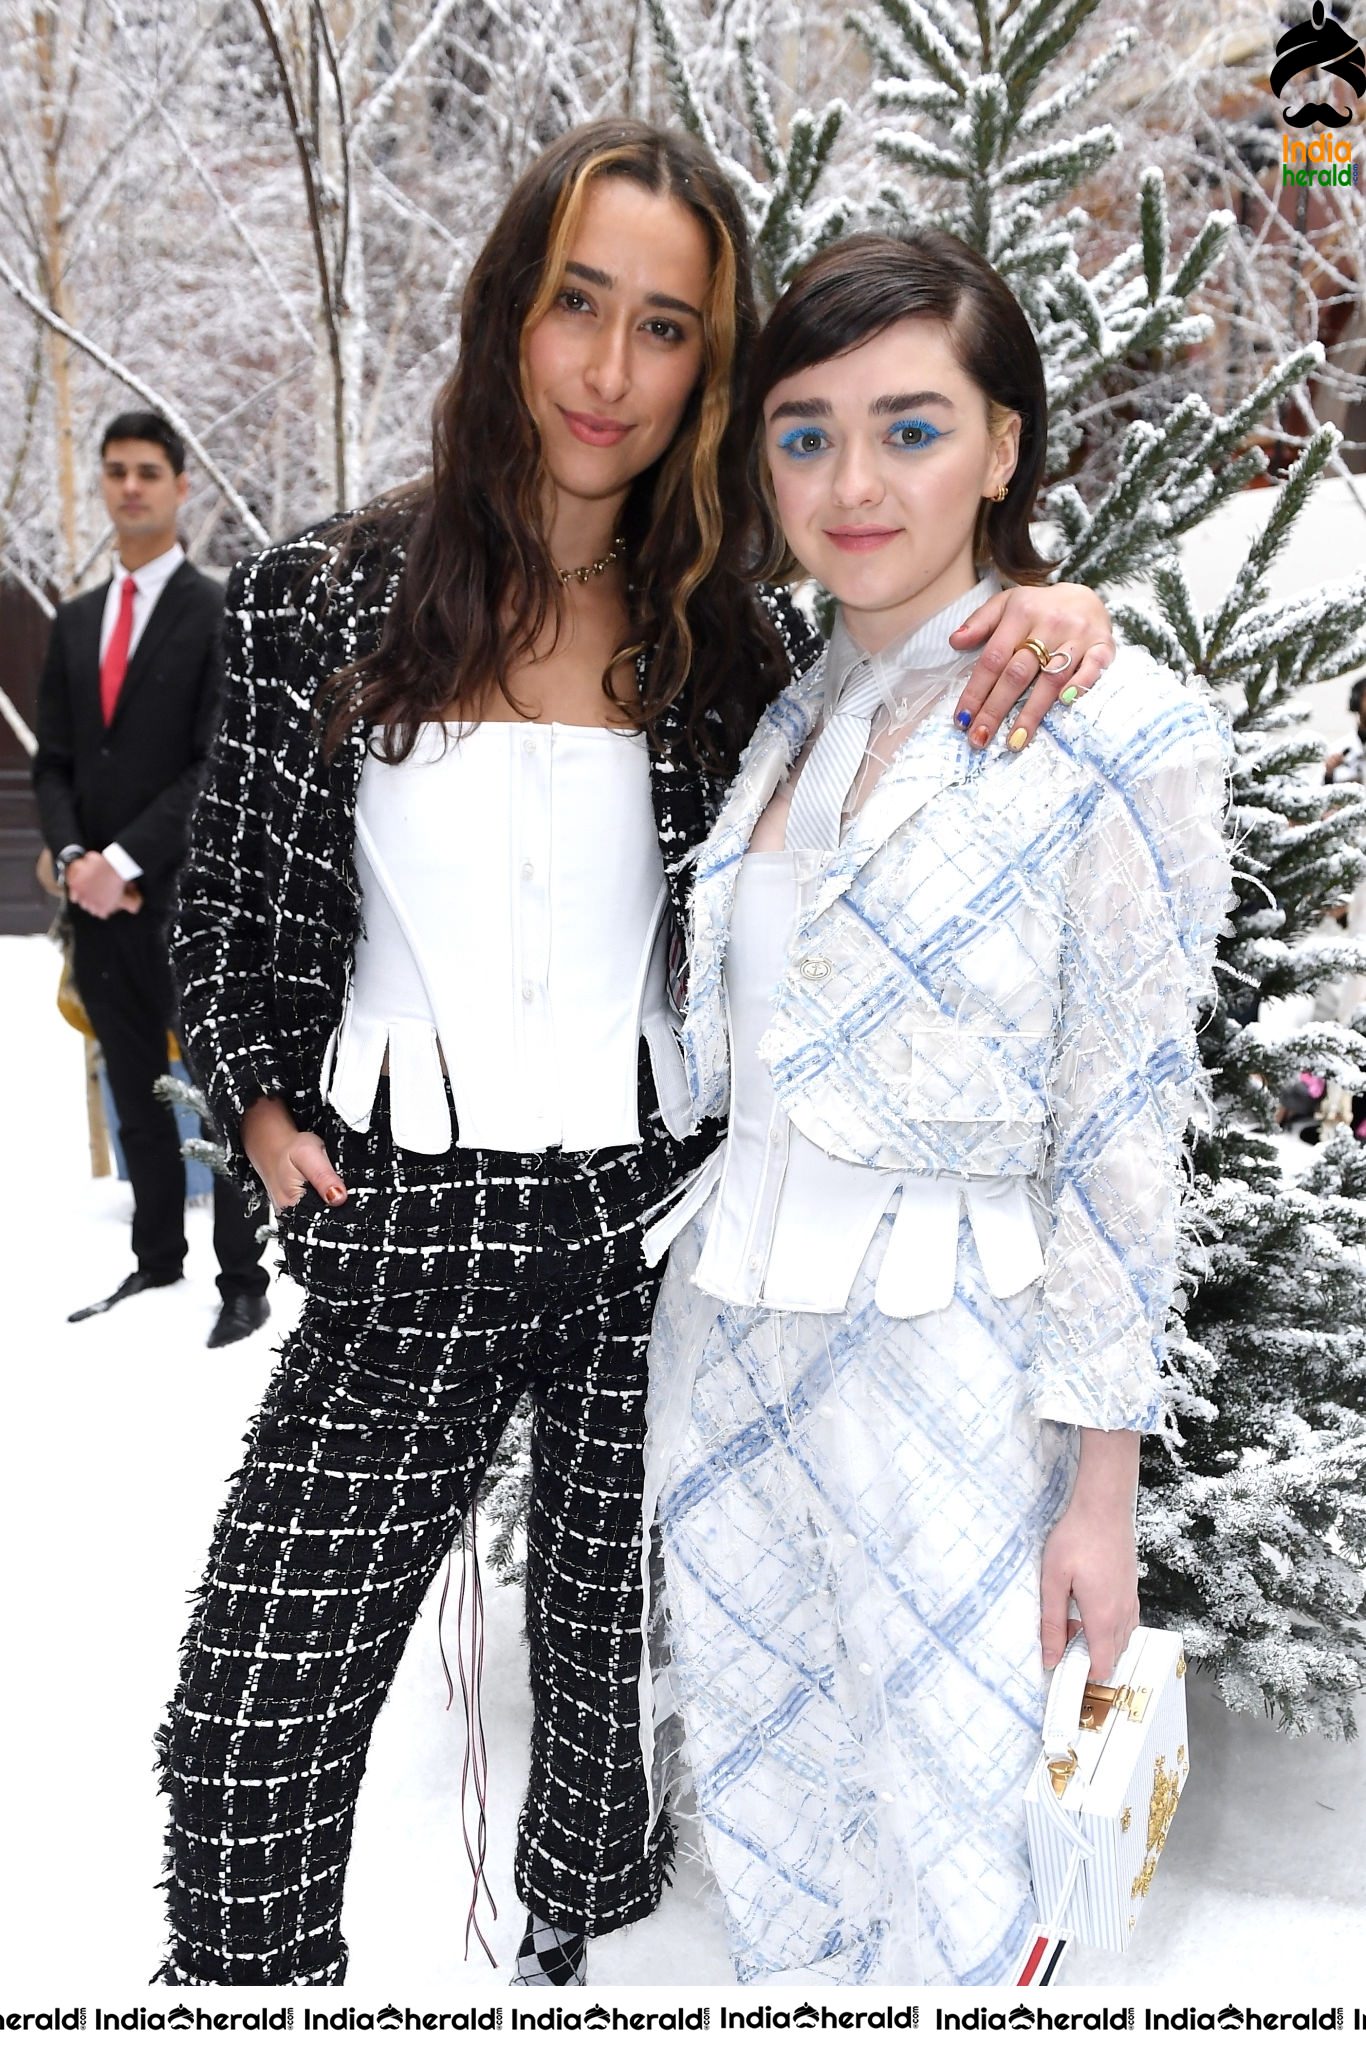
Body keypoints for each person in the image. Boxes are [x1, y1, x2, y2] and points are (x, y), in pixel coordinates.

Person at [157, 124, 1120, 1988]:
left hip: (648, 1238)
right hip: (402, 1220)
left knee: (609, 1714)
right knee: (251, 1716)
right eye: (575, 304)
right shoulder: (319, 601)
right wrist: (269, 1105)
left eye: (666, 326)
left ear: (710, 364)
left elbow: (919, 668)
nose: (609, 370)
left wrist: (1058, 595)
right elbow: (236, 910)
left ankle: (571, 1973)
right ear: (507, 308)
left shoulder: (731, 637)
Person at [640, 230, 1231, 1987]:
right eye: (804, 432)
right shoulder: (773, 707)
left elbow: (1130, 1128)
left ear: (1007, 444)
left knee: (979, 1883)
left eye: (912, 426)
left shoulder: (1119, 721)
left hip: (953, 1376)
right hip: (724, 1346)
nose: (852, 479)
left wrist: (1099, 1491)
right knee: (776, 1838)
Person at [31, 412, 270, 1348]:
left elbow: (215, 762)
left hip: (187, 902)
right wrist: (80, 863)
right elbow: (54, 762)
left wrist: (125, 863)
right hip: (99, 912)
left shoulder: (217, 614)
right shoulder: (77, 621)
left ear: (179, 488)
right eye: (116, 472)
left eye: (147, 472)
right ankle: (157, 1253)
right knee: (133, 1083)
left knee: (214, 1089)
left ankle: (243, 1278)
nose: (130, 487)